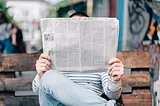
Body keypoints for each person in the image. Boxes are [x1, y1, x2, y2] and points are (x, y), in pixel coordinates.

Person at [32, 12, 124, 106]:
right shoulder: (51, 56)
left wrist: (115, 80)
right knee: (49, 76)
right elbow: (37, 91)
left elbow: (113, 95)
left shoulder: (101, 58)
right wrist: (40, 76)